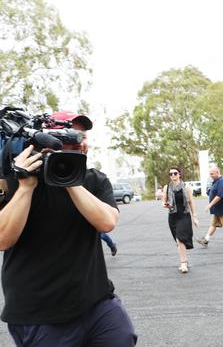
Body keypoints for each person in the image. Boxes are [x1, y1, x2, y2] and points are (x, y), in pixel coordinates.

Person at [0, 110, 137, 345]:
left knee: (123, 338)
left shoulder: (94, 180)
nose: (81, 143)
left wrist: (67, 178)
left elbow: (107, 222)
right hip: (39, 315)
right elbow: (3, 240)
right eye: (72, 136)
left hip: (96, 304)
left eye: (82, 136)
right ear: (46, 140)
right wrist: (25, 188)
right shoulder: (16, 180)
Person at [162, 166, 199, 274]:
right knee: (178, 241)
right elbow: (163, 201)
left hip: (184, 215)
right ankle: (184, 261)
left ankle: (183, 263)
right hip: (173, 216)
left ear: (179, 174)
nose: (172, 175)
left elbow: (191, 202)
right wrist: (166, 205)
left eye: (175, 173)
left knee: (180, 238)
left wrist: (195, 217)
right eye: (170, 174)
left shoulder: (186, 187)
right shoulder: (166, 188)